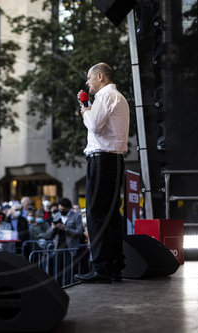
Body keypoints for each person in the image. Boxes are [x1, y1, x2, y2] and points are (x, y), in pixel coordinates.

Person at [74, 62, 129, 284]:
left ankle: (102, 268)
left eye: (89, 78)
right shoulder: (120, 97)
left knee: (96, 213)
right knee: (111, 214)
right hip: (114, 160)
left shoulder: (105, 96)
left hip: (102, 160)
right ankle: (114, 265)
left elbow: (95, 125)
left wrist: (86, 110)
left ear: (100, 76)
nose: (87, 82)